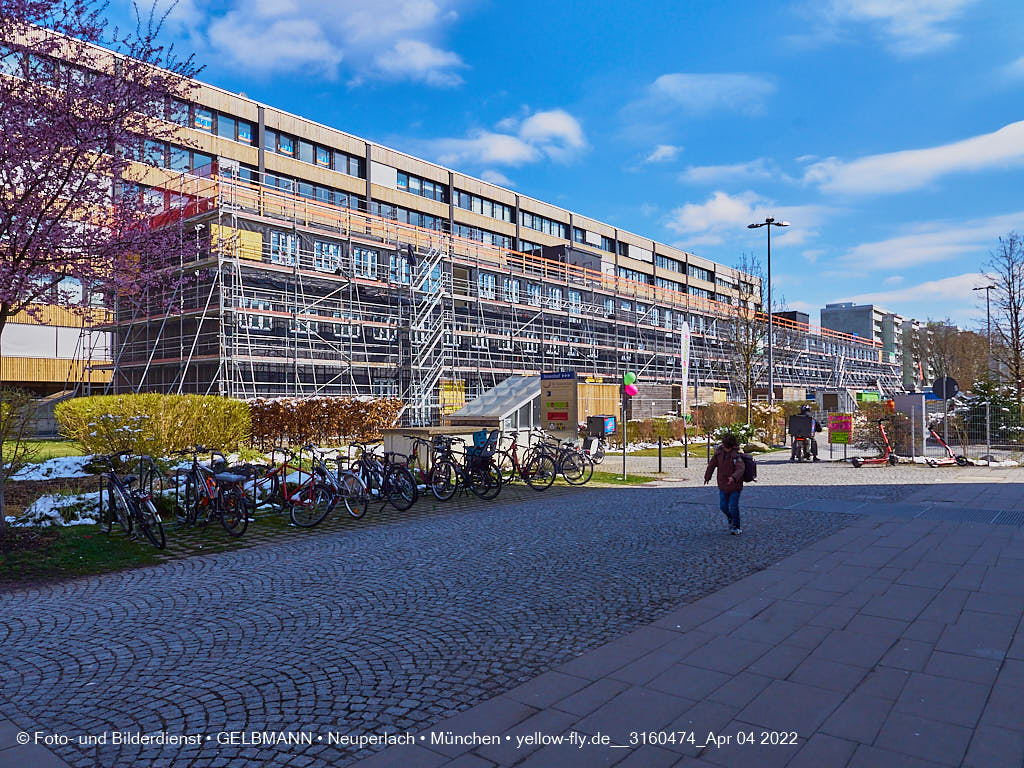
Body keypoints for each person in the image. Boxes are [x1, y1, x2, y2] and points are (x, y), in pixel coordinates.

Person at [704, 433, 746, 534]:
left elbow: (741, 469)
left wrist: (733, 477)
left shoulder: (736, 456)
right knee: (723, 506)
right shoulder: (718, 454)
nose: (723, 447)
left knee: (733, 506)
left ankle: (736, 526)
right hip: (723, 485)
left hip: (735, 486)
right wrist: (707, 477)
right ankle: (731, 518)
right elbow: (711, 466)